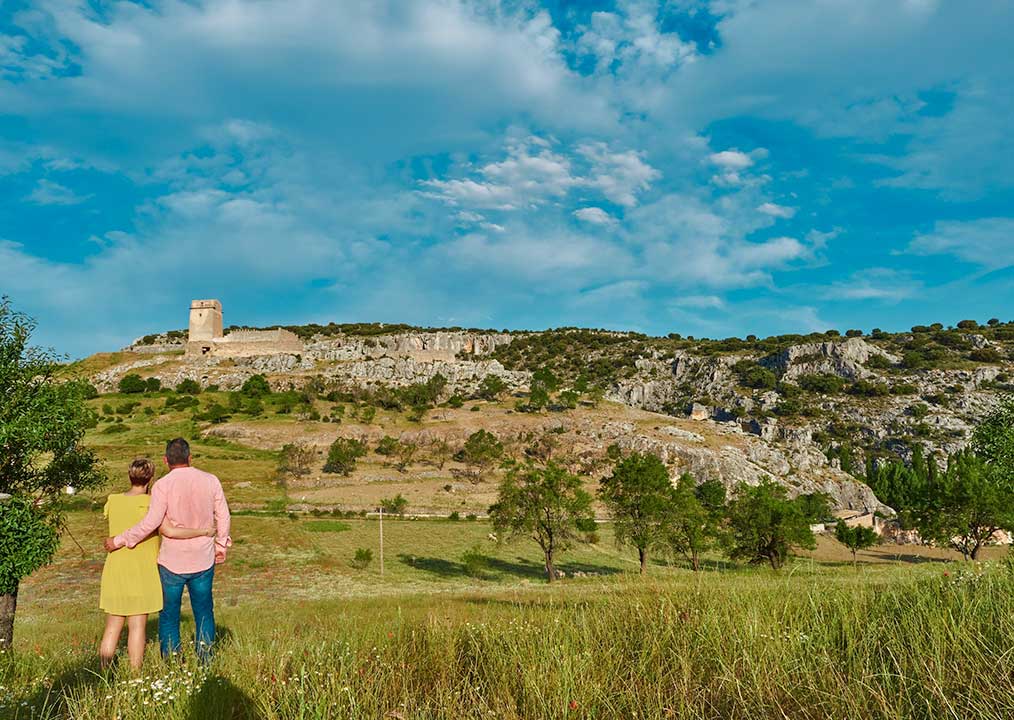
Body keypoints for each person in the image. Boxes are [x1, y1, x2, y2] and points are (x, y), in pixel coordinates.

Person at [104, 438, 231, 662]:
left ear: (165, 460)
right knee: (204, 612)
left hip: (172, 561)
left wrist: (121, 540)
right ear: (190, 458)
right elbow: (223, 515)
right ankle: (205, 659)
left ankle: (172, 662)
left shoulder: (162, 485)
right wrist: (221, 546)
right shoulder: (211, 480)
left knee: (169, 616)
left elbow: (151, 522)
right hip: (203, 558)